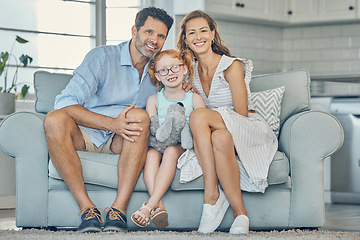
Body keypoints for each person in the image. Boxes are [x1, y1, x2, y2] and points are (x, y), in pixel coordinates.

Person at [43, 7, 175, 233]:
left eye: (161, 36)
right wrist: (112, 123)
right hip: (85, 133)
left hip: (121, 140)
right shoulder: (102, 57)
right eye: (149, 32)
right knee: (54, 119)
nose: (154, 40)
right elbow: (64, 103)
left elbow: (177, 91)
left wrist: (186, 88)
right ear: (135, 31)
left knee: (139, 116)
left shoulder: (160, 70)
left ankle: (118, 209)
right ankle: (87, 209)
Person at [176, 10, 278, 234]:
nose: (198, 36)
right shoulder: (187, 73)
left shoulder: (231, 66)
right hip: (218, 134)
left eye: (204, 30)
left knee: (199, 116)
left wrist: (203, 115)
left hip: (247, 128)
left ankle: (211, 193)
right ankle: (240, 213)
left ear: (213, 34)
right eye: (191, 32)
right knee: (220, 137)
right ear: (185, 39)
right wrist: (186, 94)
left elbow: (241, 115)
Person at [130, 49, 205, 228]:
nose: (170, 73)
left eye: (175, 68)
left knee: (171, 151)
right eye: (164, 70)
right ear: (157, 76)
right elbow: (152, 127)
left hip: (183, 144)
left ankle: (149, 205)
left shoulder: (193, 98)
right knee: (150, 155)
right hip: (159, 143)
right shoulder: (153, 100)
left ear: (185, 69)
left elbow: (201, 127)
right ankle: (159, 207)